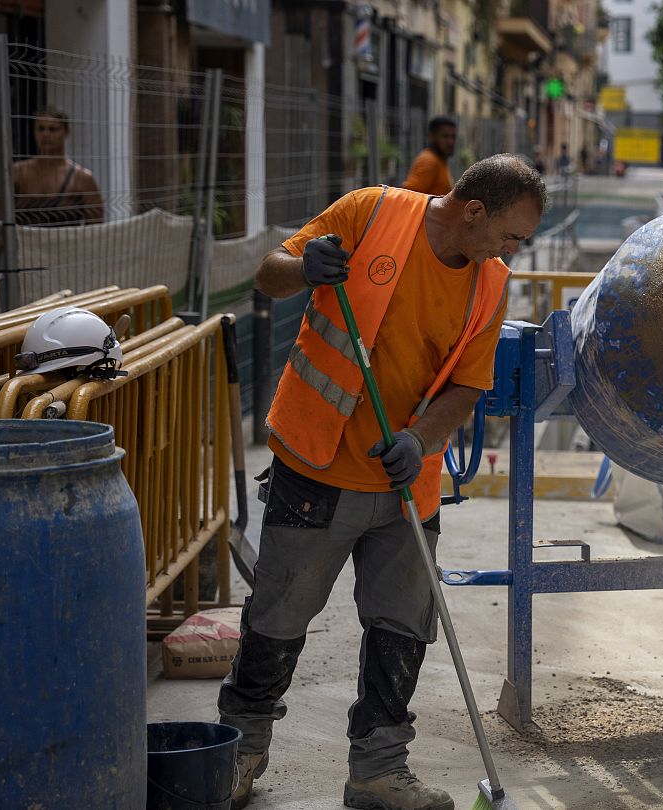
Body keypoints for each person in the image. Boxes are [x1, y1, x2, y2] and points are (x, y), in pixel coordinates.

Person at [220, 154, 545, 810]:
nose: (513, 250)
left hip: (406, 483)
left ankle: (378, 770)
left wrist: (420, 439)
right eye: (511, 234)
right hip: (318, 468)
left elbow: (469, 387)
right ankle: (240, 749)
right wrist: (304, 267)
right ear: (473, 210)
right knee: (279, 617)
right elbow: (269, 274)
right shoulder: (371, 212)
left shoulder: (490, 282)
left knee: (402, 628)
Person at [12, 108, 103, 226]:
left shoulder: (82, 178)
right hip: (25, 243)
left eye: (52, 129)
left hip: (68, 243)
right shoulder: (19, 171)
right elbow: (1, 219)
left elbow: (94, 227)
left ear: (66, 132)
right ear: (34, 132)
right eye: (41, 129)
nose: (46, 134)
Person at [401, 116, 458, 195]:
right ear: (432, 136)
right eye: (445, 136)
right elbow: (408, 196)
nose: (450, 142)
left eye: (453, 137)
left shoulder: (440, 159)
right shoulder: (429, 161)